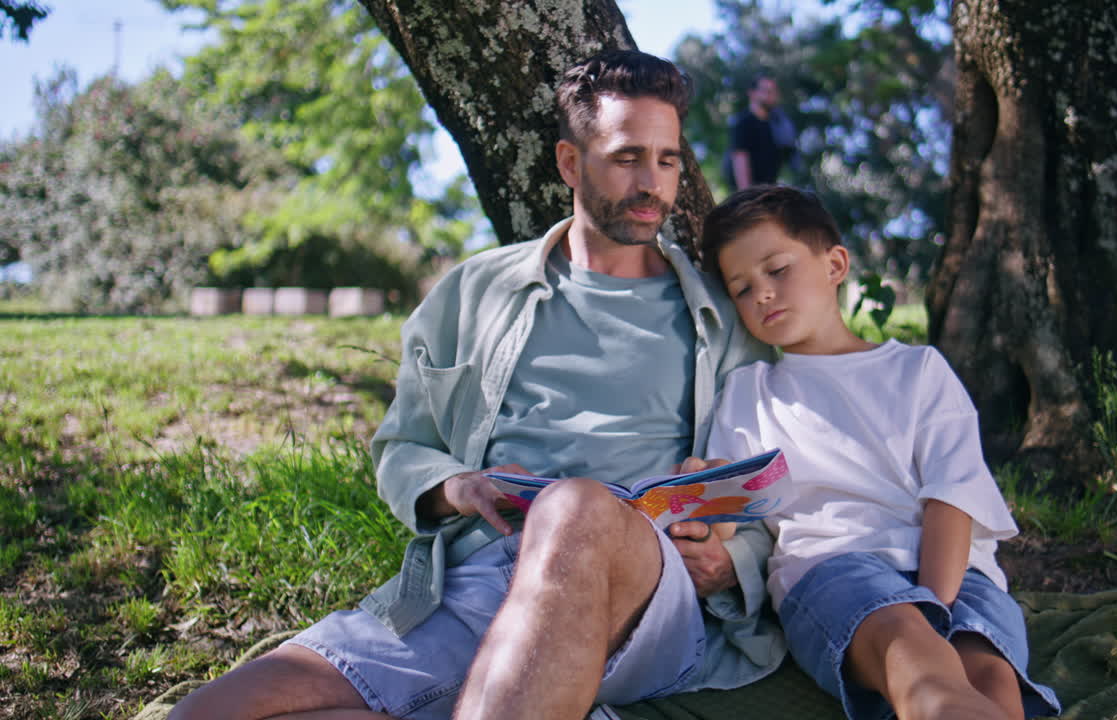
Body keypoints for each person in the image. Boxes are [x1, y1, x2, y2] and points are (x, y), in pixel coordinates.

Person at [169, 50, 784, 720]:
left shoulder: (722, 320)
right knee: (209, 712)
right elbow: (403, 444)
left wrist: (730, 562)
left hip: (642, 591)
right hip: (480, 579)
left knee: (573, 509)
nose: (653, 183)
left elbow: (774, 489)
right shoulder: (476, 291)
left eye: (667, 159)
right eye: (627, 157)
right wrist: (458, 486)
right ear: (571, 164)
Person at [699, 185, 1061, 720]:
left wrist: (937, 603)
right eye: (742, 289)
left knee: (988, 678)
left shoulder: (918, 371)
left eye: (777, 270)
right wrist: (701, 496)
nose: (763, 296)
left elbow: (951, 495)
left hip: (958, 574)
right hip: (835, 570)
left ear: (835, 264)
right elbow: (732, 507)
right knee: (913, 655)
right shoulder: (751, 392)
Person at [724, 74, 796, 191]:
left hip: (768, 192)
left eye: (773, 91)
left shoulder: (777, 124)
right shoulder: (744, 123)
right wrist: (746, 195)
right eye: (766, 90)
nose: (770, 95)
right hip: (751, 196)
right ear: (752, 93)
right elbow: (740, 158)